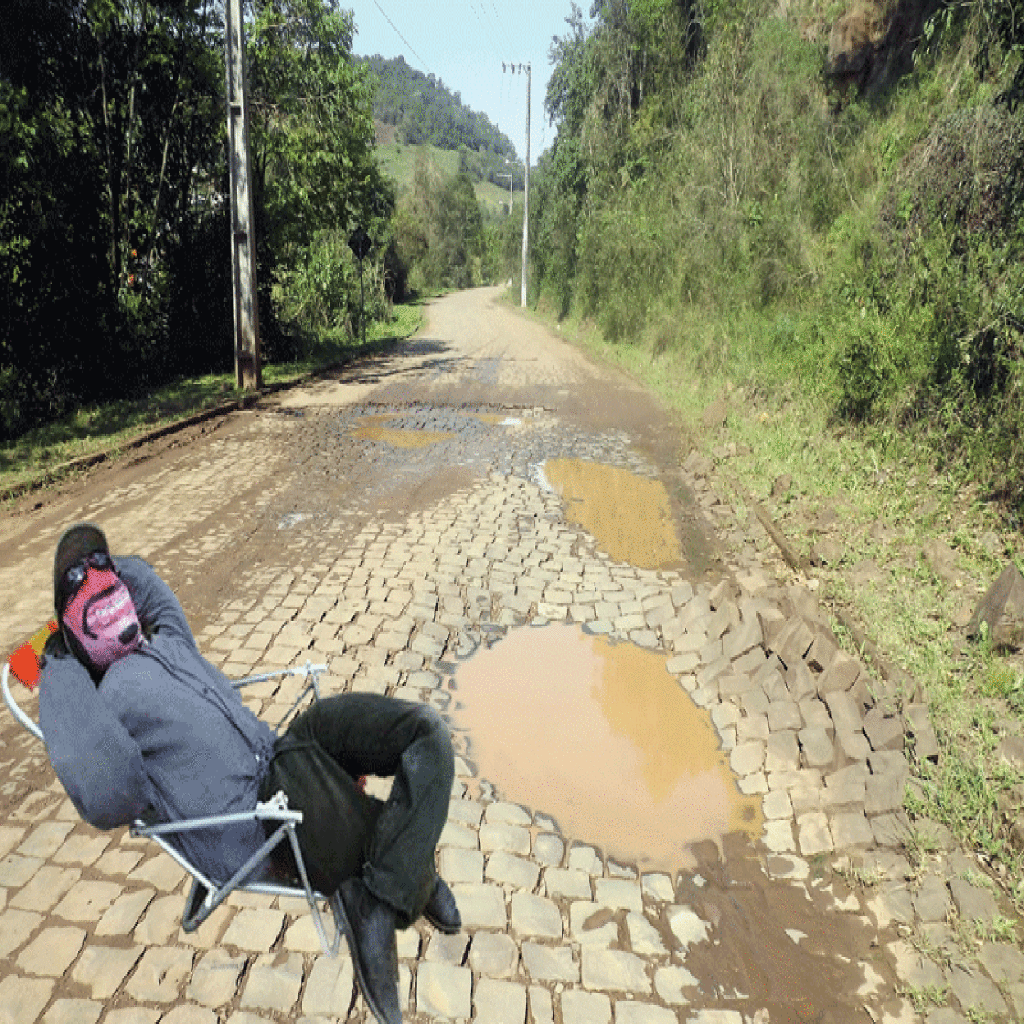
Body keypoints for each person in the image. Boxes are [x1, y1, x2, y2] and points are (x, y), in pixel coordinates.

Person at [39, 522, 459, 1024]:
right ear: (75, 634)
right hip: (262, 817)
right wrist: (57, 663)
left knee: (426, 733)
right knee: (326, 796)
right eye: (86, 596)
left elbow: (151, 588)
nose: (104, 594)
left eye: (108, 586)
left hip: (288, 750)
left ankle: (388, 888)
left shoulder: (168, 641)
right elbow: (107, 795)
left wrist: (103, 562)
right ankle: (401, 884)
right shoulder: (105, 705)